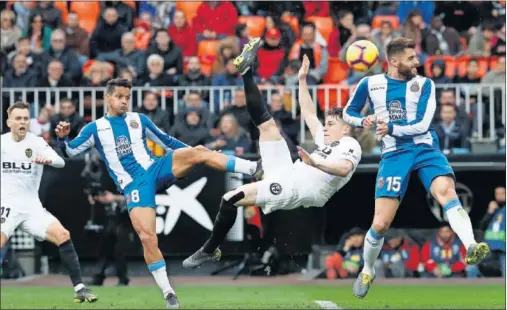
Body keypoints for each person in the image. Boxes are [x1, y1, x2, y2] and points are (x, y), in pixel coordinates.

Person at [54, 78, 262, 309]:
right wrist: (63, 137)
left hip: (157, 168)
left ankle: (255, 168)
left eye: (127, 97)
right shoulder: (95, 128)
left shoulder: (139, 120)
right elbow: (70, 152)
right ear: (108, 98)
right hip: (135, 185)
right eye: (119, 97)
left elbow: (167, 141)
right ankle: (168, 293)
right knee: (147, 237)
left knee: (201, 152)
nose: (124, 101)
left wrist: (193, 152)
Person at [182, 40, 362, 270]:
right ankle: (247, 72)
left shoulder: (350, 144)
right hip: (289, 170)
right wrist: (302, 79)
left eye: (330, 124)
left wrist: (315, 161)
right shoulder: (325, 140)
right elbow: (307, 110)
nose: (324, 127)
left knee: (230, 198)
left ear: (345, 128)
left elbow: (344, 169)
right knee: (267, 126)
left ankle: (209, 249)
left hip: (297, 189)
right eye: (325, 123)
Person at [342, 37, 490, 299]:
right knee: (381, 223)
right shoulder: (370, 84)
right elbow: (348, 112)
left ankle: (470, 245)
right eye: (411, 58)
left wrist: (391, 127)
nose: (417, 62)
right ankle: (367, 269)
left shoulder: (425, 84)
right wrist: (361, 120)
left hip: (424, 149)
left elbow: (422, 124)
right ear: (395, 61)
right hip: (394, 154)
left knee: (447, 192)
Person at [0, 102, 97, 303]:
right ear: (9, 122)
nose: (22, 122)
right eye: (18, 118)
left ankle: (80, 288)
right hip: (7, 205)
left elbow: (60, 161)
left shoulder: (36, 142)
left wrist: (47, 160)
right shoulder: (2, 143)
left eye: (25, 118)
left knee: (63, 235)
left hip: (31, 207)